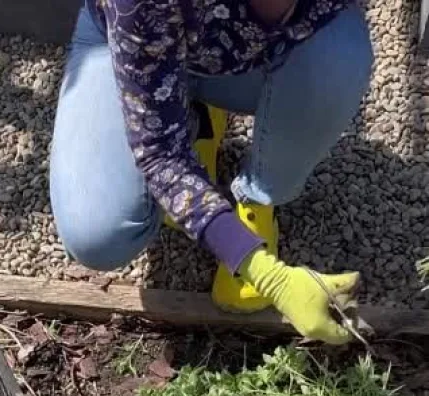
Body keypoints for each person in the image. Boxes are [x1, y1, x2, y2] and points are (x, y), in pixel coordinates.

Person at [50, 0, 373, 344]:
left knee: (339, 62)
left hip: (248, 54)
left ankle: (259, 196)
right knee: (98, 234)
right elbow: (160, 154)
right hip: (131, 43)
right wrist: (266, 274)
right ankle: (186, 116)